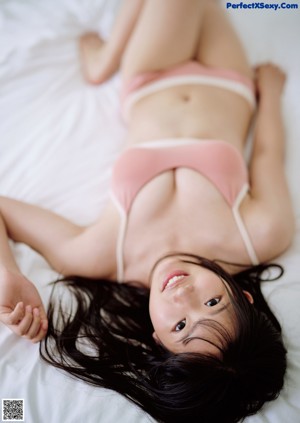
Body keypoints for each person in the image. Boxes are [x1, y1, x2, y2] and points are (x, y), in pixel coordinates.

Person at [0, 0, 294, 421]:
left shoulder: (100, 254)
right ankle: (104, 57)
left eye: (179, 327)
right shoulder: (261, 234)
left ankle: (104, 62)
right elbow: (266, 154)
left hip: (152, 77)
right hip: (229, 81)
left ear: (157, 338)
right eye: (213, 302)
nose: (183, 295)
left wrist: (7, 272)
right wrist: (271, 95)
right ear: (243, 297)